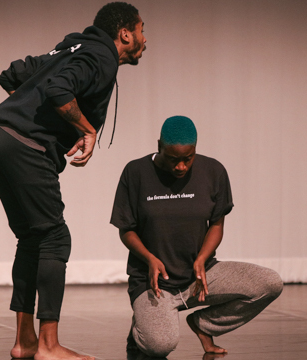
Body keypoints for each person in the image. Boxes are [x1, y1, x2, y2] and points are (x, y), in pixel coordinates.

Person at [0, 3, 146, 359]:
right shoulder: (100, 57)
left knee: (31, 239)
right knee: (56, 238)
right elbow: (58, 88)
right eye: (142, 30)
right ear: (124, 34)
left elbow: (12, 74)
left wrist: (22, 116)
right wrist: (84, 128)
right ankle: (48, 346)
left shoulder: (75, 45)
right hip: (24, 146)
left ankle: (25, 342)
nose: (145, 39)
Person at [111, 116, 284, 358]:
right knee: (159, 346)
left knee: (269, 283)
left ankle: (204, 325)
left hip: (200, 275)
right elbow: (125, 229)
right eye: (173, 159)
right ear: (159, 146)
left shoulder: (213, 171)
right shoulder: (136, 172)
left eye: (187, 158)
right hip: (154, 282)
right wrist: (149, 258)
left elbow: (216, 224)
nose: (181, 166)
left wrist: (202, 258)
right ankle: (143, 322)